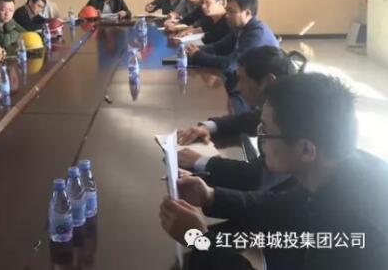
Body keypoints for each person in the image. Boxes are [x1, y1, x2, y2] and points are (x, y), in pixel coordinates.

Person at [160, 73, 388, 270]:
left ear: (306, 150)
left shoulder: (356, 231)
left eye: (266, 131)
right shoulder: (336, 167)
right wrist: (210, 196)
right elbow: (283, 206)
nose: (260, 137)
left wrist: (199, 240)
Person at [177, 46, 299, 190]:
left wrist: (200, 161)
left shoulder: (293, 119)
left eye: (242, 80)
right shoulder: (284, 101)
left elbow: (257, 177)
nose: (238, 87)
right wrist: (207, 127)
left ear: (268, 81)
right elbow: (249, 120)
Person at [186, 0, 278, 72]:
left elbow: (230, 64)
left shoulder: (256, 34)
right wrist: (192, 49)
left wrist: (198, 55)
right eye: (227, 11)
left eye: (231, 11)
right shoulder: (240, 28)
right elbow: (217, 47)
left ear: (247, 13)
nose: (226, 15)